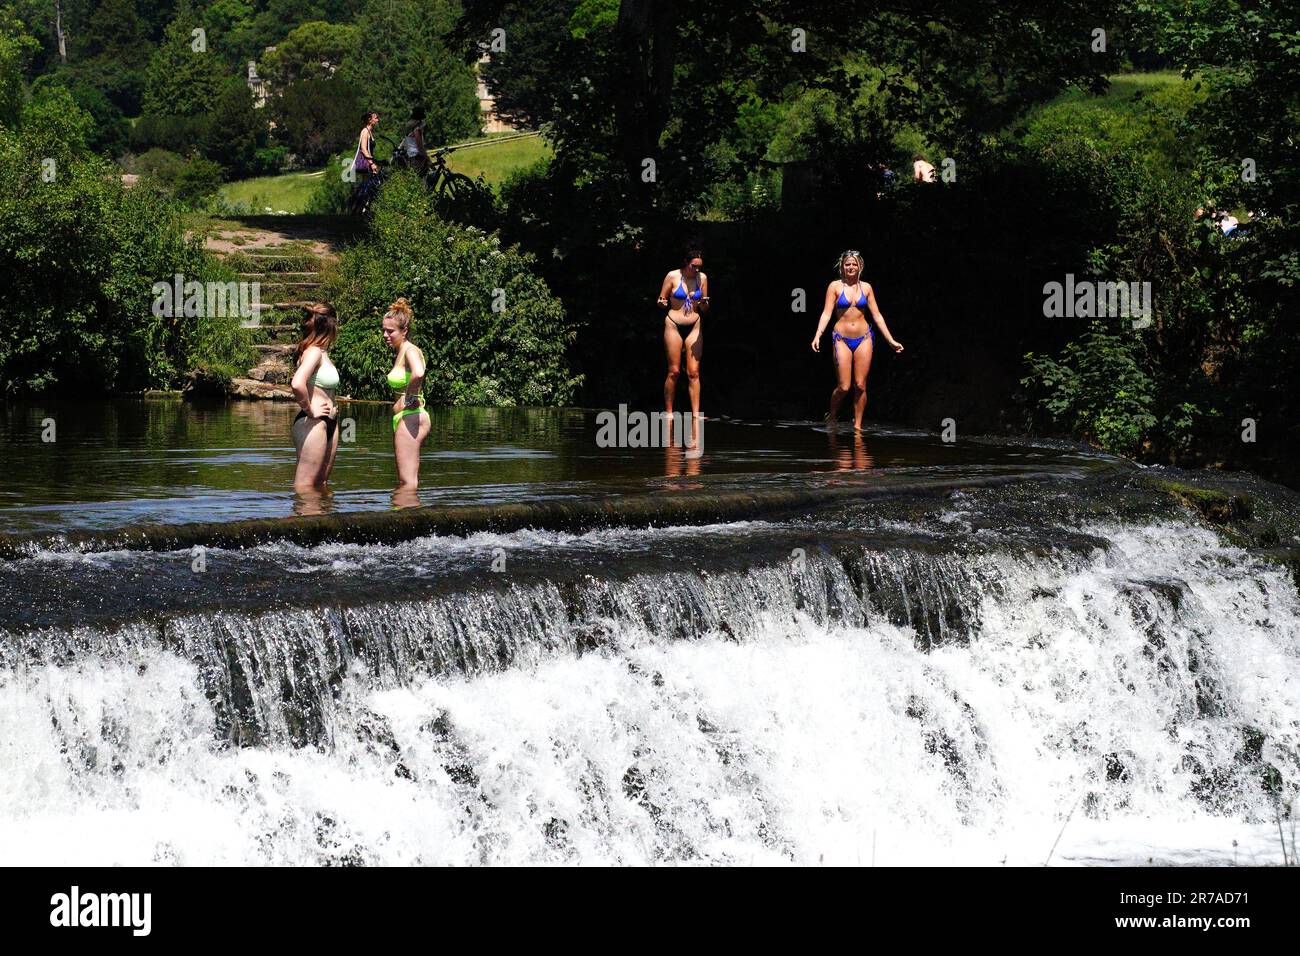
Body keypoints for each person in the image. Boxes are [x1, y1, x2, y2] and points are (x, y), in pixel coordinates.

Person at [811, 250, 904, 431]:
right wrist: (818, 334)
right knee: (844, 387)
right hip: (841, 339)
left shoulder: (867, 288)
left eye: (854, 264)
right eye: (847, 264)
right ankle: (832, 415)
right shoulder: (835, 286)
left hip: (864, 338)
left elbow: (877, 316)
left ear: (860, 267)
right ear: (842, 267)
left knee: (860, 385)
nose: (851, 267)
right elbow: (826, 313)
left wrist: (891, 340)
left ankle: (858, 427)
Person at [656, 249, 709, 439]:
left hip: (694, 324)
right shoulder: (672, 275)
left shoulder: (702, 278)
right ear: (686, 263)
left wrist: (704, 303)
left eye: (699, 267)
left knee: (694, 371)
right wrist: (662, 303)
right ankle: (669, 410)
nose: (696, 270)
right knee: (674, 371)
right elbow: (661, 299)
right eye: (693, 266)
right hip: (673, 323)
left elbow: (705, 308)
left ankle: (696, 413)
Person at [290, 303, 341, 492]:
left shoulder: (323, 353)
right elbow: (297, 383)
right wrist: (310, 410)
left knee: (321, 485)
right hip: (313, 422)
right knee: (305, 486)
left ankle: (322, 519)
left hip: (330, 423)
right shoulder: (313, 352)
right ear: (332, 325)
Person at [382, 297, 431, 491]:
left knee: (407, 481)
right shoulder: (402, 351)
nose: (385, 335)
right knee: (406, 480)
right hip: (406, 418)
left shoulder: (410, 350)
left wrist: (410, 397)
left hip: (411, 417)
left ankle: (405, 515)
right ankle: (404, 512)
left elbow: (419, 372)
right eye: (383, 330)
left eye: (390, 331)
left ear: (405, 331)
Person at [397, 106, 430, 177]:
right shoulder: (417, 130)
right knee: (424, 180)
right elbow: (420, 147)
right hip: (417, 158)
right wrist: (428, 159)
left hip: (412, 157)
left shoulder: (410, 129)